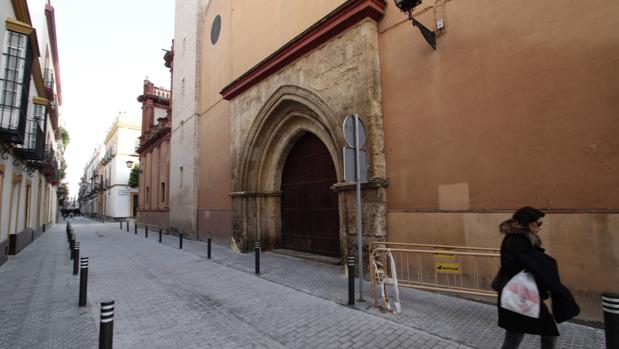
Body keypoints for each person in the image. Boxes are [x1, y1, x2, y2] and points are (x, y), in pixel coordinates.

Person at [492, 207, 580, 349]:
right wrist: (534, 261)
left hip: (522, 293)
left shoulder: (524, 238)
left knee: (517, 334)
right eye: (537, 224)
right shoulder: (516, 239)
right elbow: (509, 264)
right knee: (545, 331)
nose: (540, 227)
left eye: (541, 223)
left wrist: (535, 261)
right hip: (518, 293)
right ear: (526, 223)